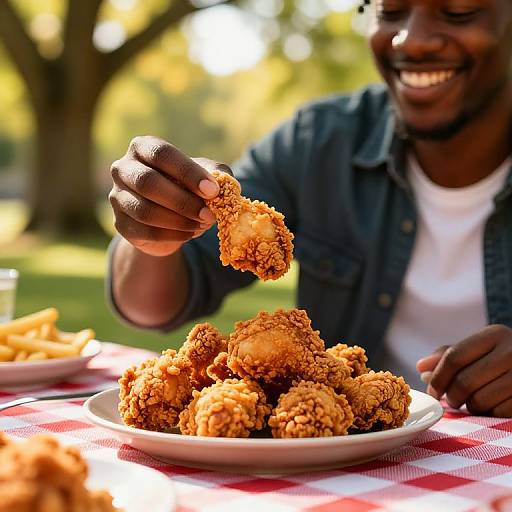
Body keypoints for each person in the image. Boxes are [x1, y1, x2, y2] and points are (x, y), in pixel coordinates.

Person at [107, 0, 512, 417]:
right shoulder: (317, 142)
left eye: (459, 10)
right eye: (390, 10)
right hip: (344, 467)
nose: (411, 38)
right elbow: (150, 304)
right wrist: (152, 231)